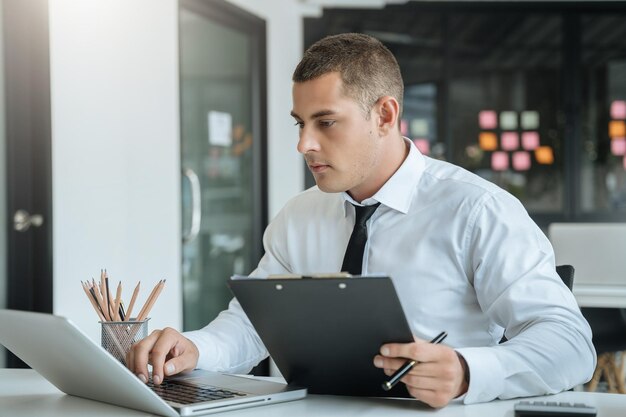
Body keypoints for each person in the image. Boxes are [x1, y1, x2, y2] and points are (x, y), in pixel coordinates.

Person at [127, 33, 596, 408]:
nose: (304, 145)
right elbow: (252, 326)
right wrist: (195, 348)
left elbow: (571, 346)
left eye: (326, 122)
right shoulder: (299, 215)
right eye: (300, 123)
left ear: (385, 116)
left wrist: (467, 372)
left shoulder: (477, 210)